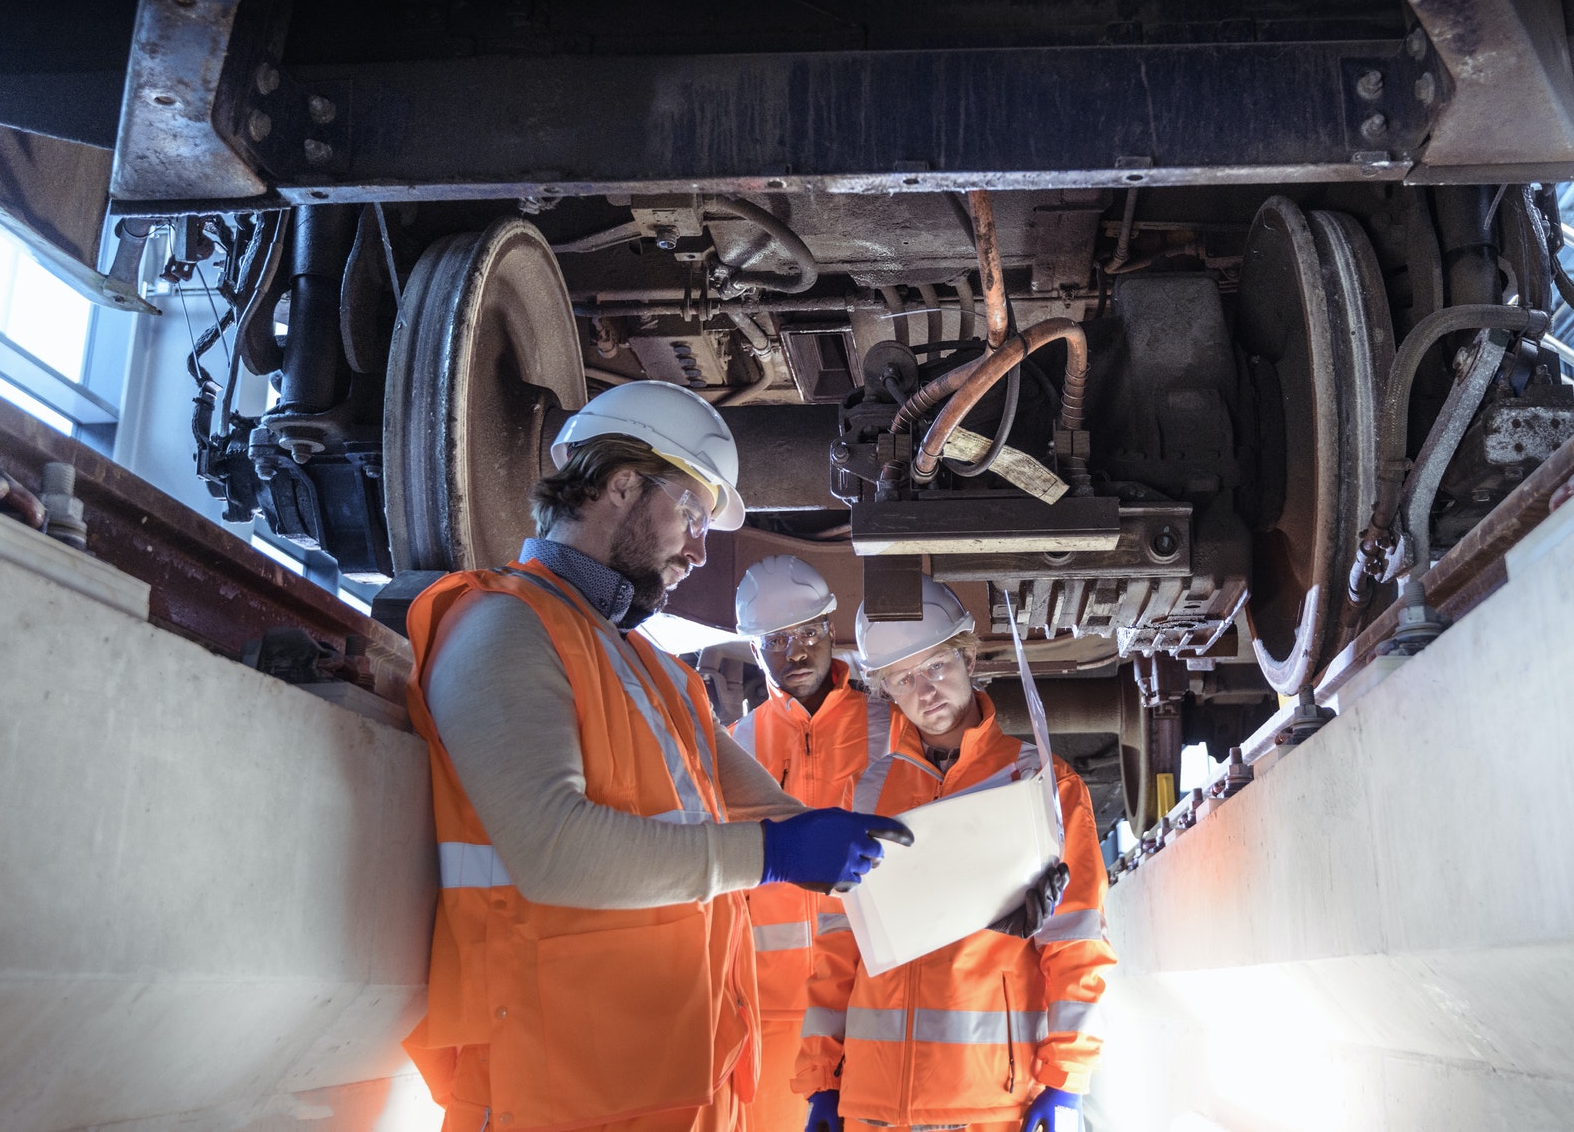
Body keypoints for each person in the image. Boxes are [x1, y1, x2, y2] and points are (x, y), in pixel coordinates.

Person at [399, 380, 911, 1132]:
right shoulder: (502, 626)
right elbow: (554, 851)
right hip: (551, 1097)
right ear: (621, 484)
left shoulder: (659, 670)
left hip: (685, 1091)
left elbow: (791, 824)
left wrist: (976, 893)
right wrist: (771, 854)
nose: (701, 549)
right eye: (694, 515)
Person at [796, 578, 1115, 1132]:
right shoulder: (862, 794)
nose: (926, 691)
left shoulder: (1042, 783)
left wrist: (1067, 1077)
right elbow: (836, 948)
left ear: (969, 657)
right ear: (885, 689)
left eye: (938, 666)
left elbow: (1077, 943)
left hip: (991, 1101)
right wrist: (821, 1078)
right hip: (874, 1105)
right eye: (903, 678)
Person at [729, 556, 876, 1132]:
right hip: (769, 1020)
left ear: (830, 628)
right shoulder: (734, 749)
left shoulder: (889, 726)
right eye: (777, 639)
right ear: (754, 648)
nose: (797, 652)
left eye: (810, 632)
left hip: (874, 998)